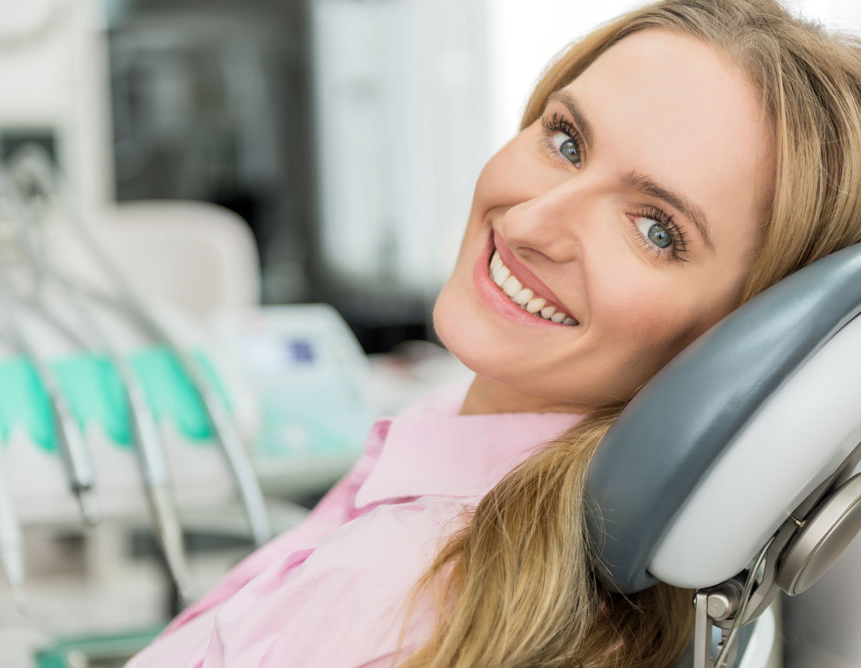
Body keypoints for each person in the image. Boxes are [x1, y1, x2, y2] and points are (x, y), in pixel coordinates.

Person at [127, 1, 861, 666]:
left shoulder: (405, 593)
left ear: (744, 344)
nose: (532, 222)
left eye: (655, 230)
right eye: (567, 141)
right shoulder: (437, 492)